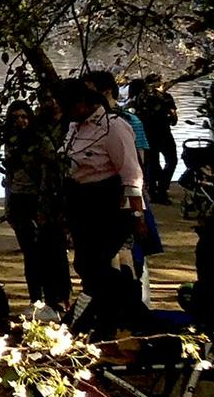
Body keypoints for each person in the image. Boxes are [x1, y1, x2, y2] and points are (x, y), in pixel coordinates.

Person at [58, 75, 149, 320]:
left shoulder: (115, 127)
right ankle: (107, 316)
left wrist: (138, 216)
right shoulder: (73, 127)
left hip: (108, 205)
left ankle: (133, 312)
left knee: (94, 265)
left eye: (68, 106)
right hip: (80, 204)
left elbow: (132, 176)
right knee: (85, 266)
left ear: (81, 103)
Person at [0, 100, 71, 314]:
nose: (20, 121)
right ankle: (35, 299)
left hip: (39, 200)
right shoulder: (10, 142)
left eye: (24, 117)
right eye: (15, 117)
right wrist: (8, 206)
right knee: (29, 253)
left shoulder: (40, 140)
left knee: (47, 252)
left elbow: (49, 172)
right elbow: (10, 177)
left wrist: (44, 206)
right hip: (19, 199)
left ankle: (53, 299)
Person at [129, 77, 179, 204]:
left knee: (161, 162)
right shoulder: (156, 97)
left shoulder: (142, 98)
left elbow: (173, 117)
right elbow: (173, 119)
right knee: (162, 161)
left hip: (156, 133)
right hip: (157, 133)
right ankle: (158, 190)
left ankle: (157, 189)